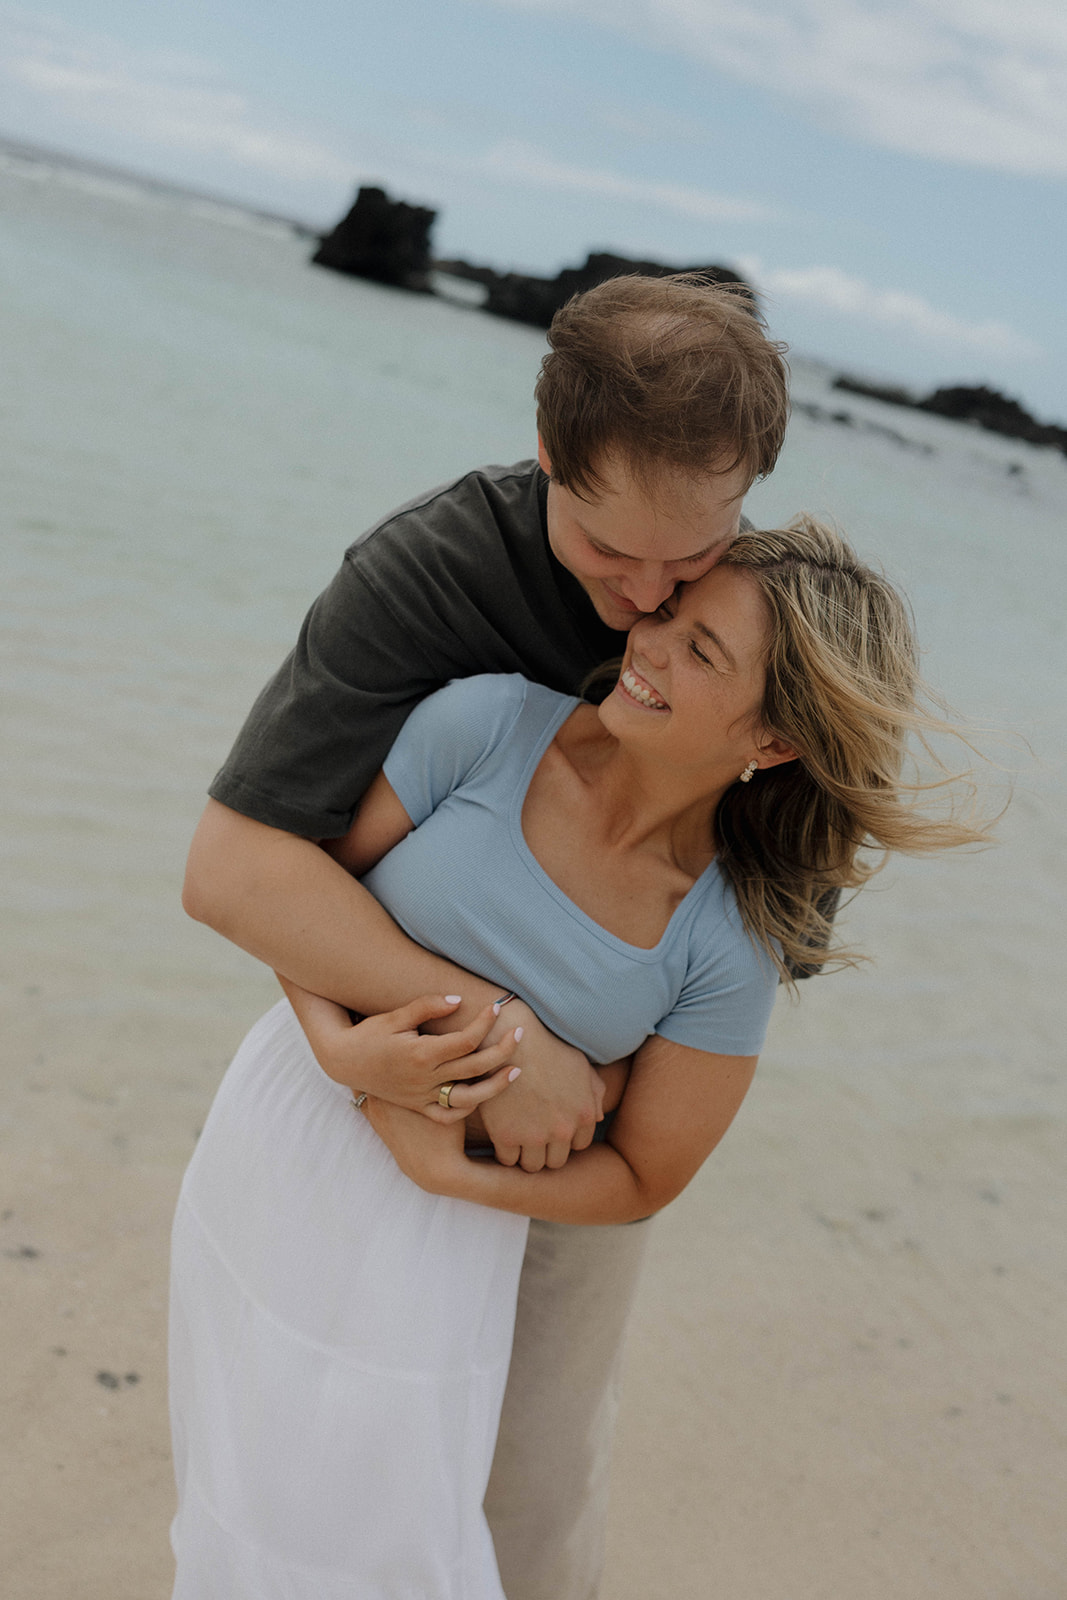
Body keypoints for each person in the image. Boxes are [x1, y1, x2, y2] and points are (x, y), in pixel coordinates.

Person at [170, 518, 988, 1598]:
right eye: (669, 619)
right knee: (237, 1492)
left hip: (449, 1236)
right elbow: (292, 885)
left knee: (391, 1538)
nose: (647, 645)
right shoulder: (483, 723)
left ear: (774, 741)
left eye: (702, 653)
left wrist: (449, 1171)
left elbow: (648, 1171)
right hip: (286, 1142)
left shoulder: (723, 943)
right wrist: (362, 1046)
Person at [180, 272, 795, 1600]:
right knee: (293, 1459)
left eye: (685, 559)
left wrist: (545, 1091)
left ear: (744, 489)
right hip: (373, 1088)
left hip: (570, 1156)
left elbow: (708, 1006)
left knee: (526, 1493)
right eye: (604, 551)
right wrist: (459, 1041)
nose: (642, 603)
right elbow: (241, 868)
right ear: (543, 455)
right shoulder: (428, 575)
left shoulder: (758, 642)